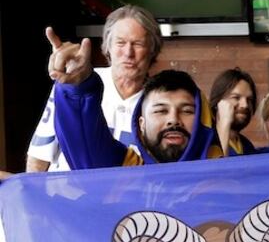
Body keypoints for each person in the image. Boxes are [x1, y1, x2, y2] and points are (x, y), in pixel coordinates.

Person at [48, 32, 220, 167]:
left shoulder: (225, 180)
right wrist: (79, 89)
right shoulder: (125, 175)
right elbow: (85, 144)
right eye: (161, 110)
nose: (173, 120)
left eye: (187, 111)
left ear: (202, 121)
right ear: (141, 124)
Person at [27, 5, 162, 172]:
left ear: (152, 49)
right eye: (120, 43)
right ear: (108, 47)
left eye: (138, 44)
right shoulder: (77, 84)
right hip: (62, 194)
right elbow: (39, 155)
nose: (128, 52)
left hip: (123, 195)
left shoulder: (161, 100)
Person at [210, 67, 258, 156]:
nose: (245, 105)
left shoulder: (247, 146)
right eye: (236, 97)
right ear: (218, 102)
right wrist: (224, 124)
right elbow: (217, 169)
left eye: (249, 99)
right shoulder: (205, 141)